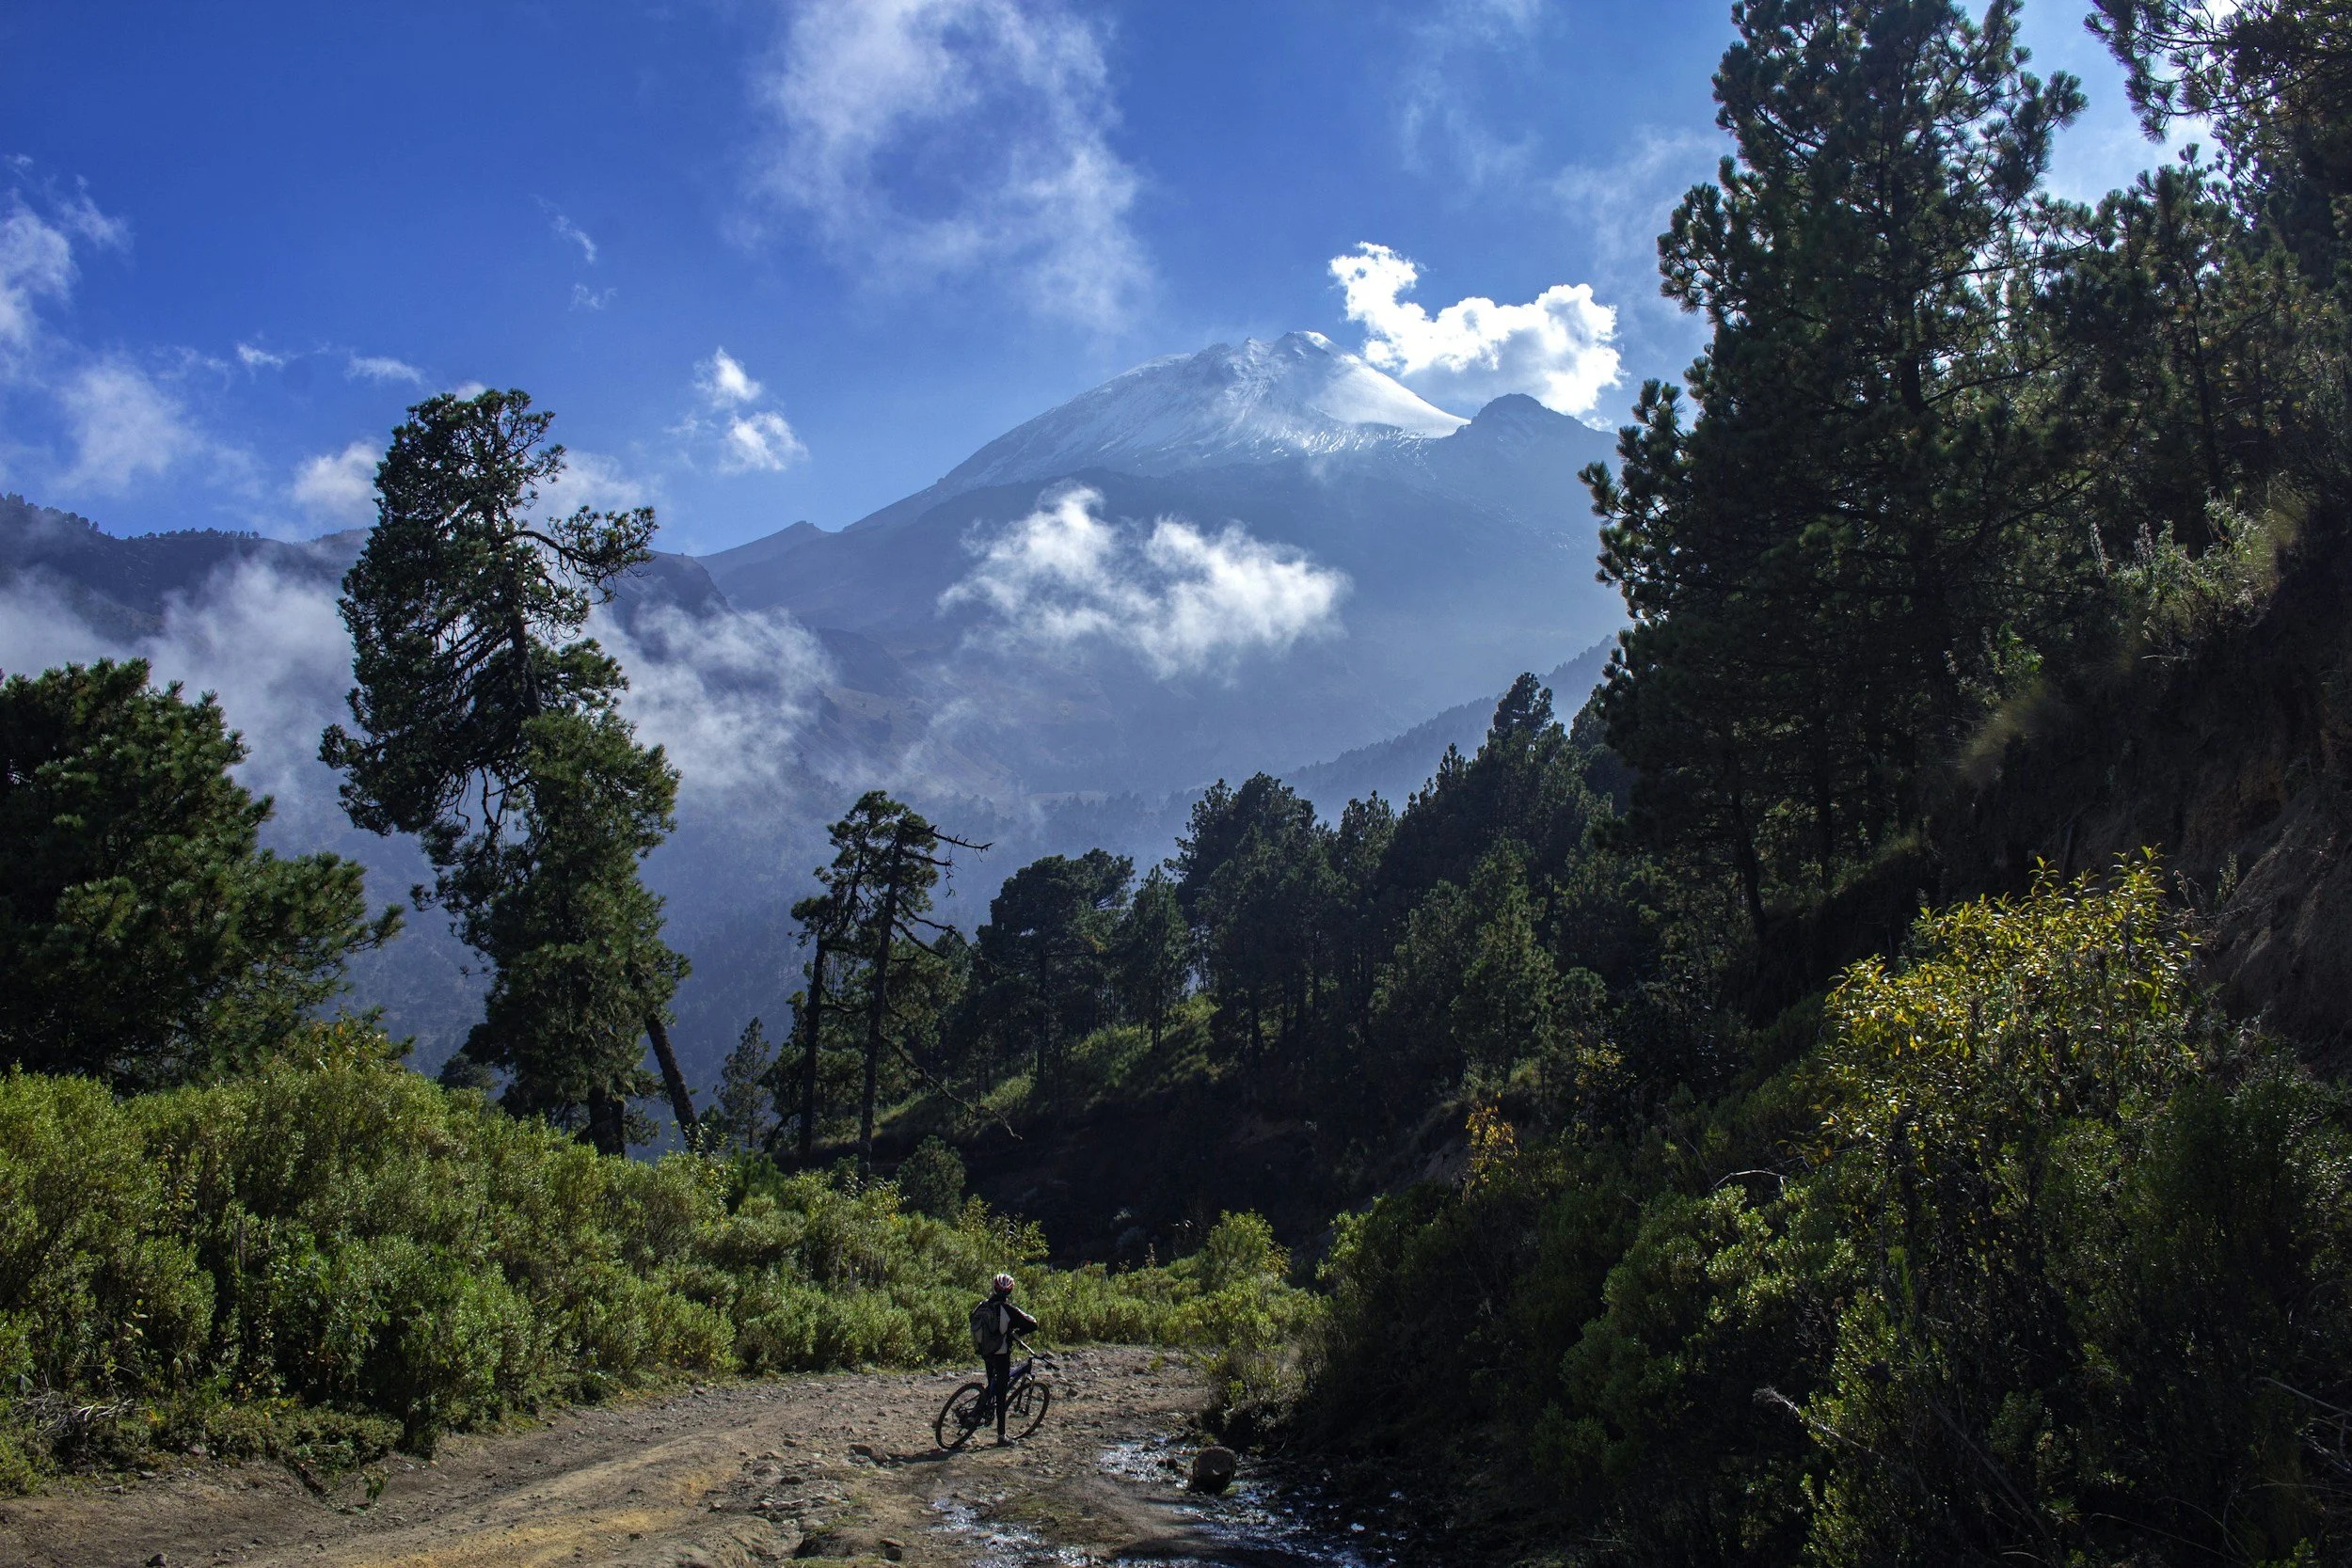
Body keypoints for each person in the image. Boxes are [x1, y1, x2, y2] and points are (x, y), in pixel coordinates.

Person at [969, 1271, 1038, 1443]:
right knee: (1001, 1394)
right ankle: (1001, 1435)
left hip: (985, 1351)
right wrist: (1016, 1332)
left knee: (991, 1382)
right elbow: (1032, 1324)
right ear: (1009, 1292)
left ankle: (975, 1414)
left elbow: (973, 1319)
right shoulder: (1008, 1310)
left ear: (994, 1288)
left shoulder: (982, 1305)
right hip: (1001, 1353)